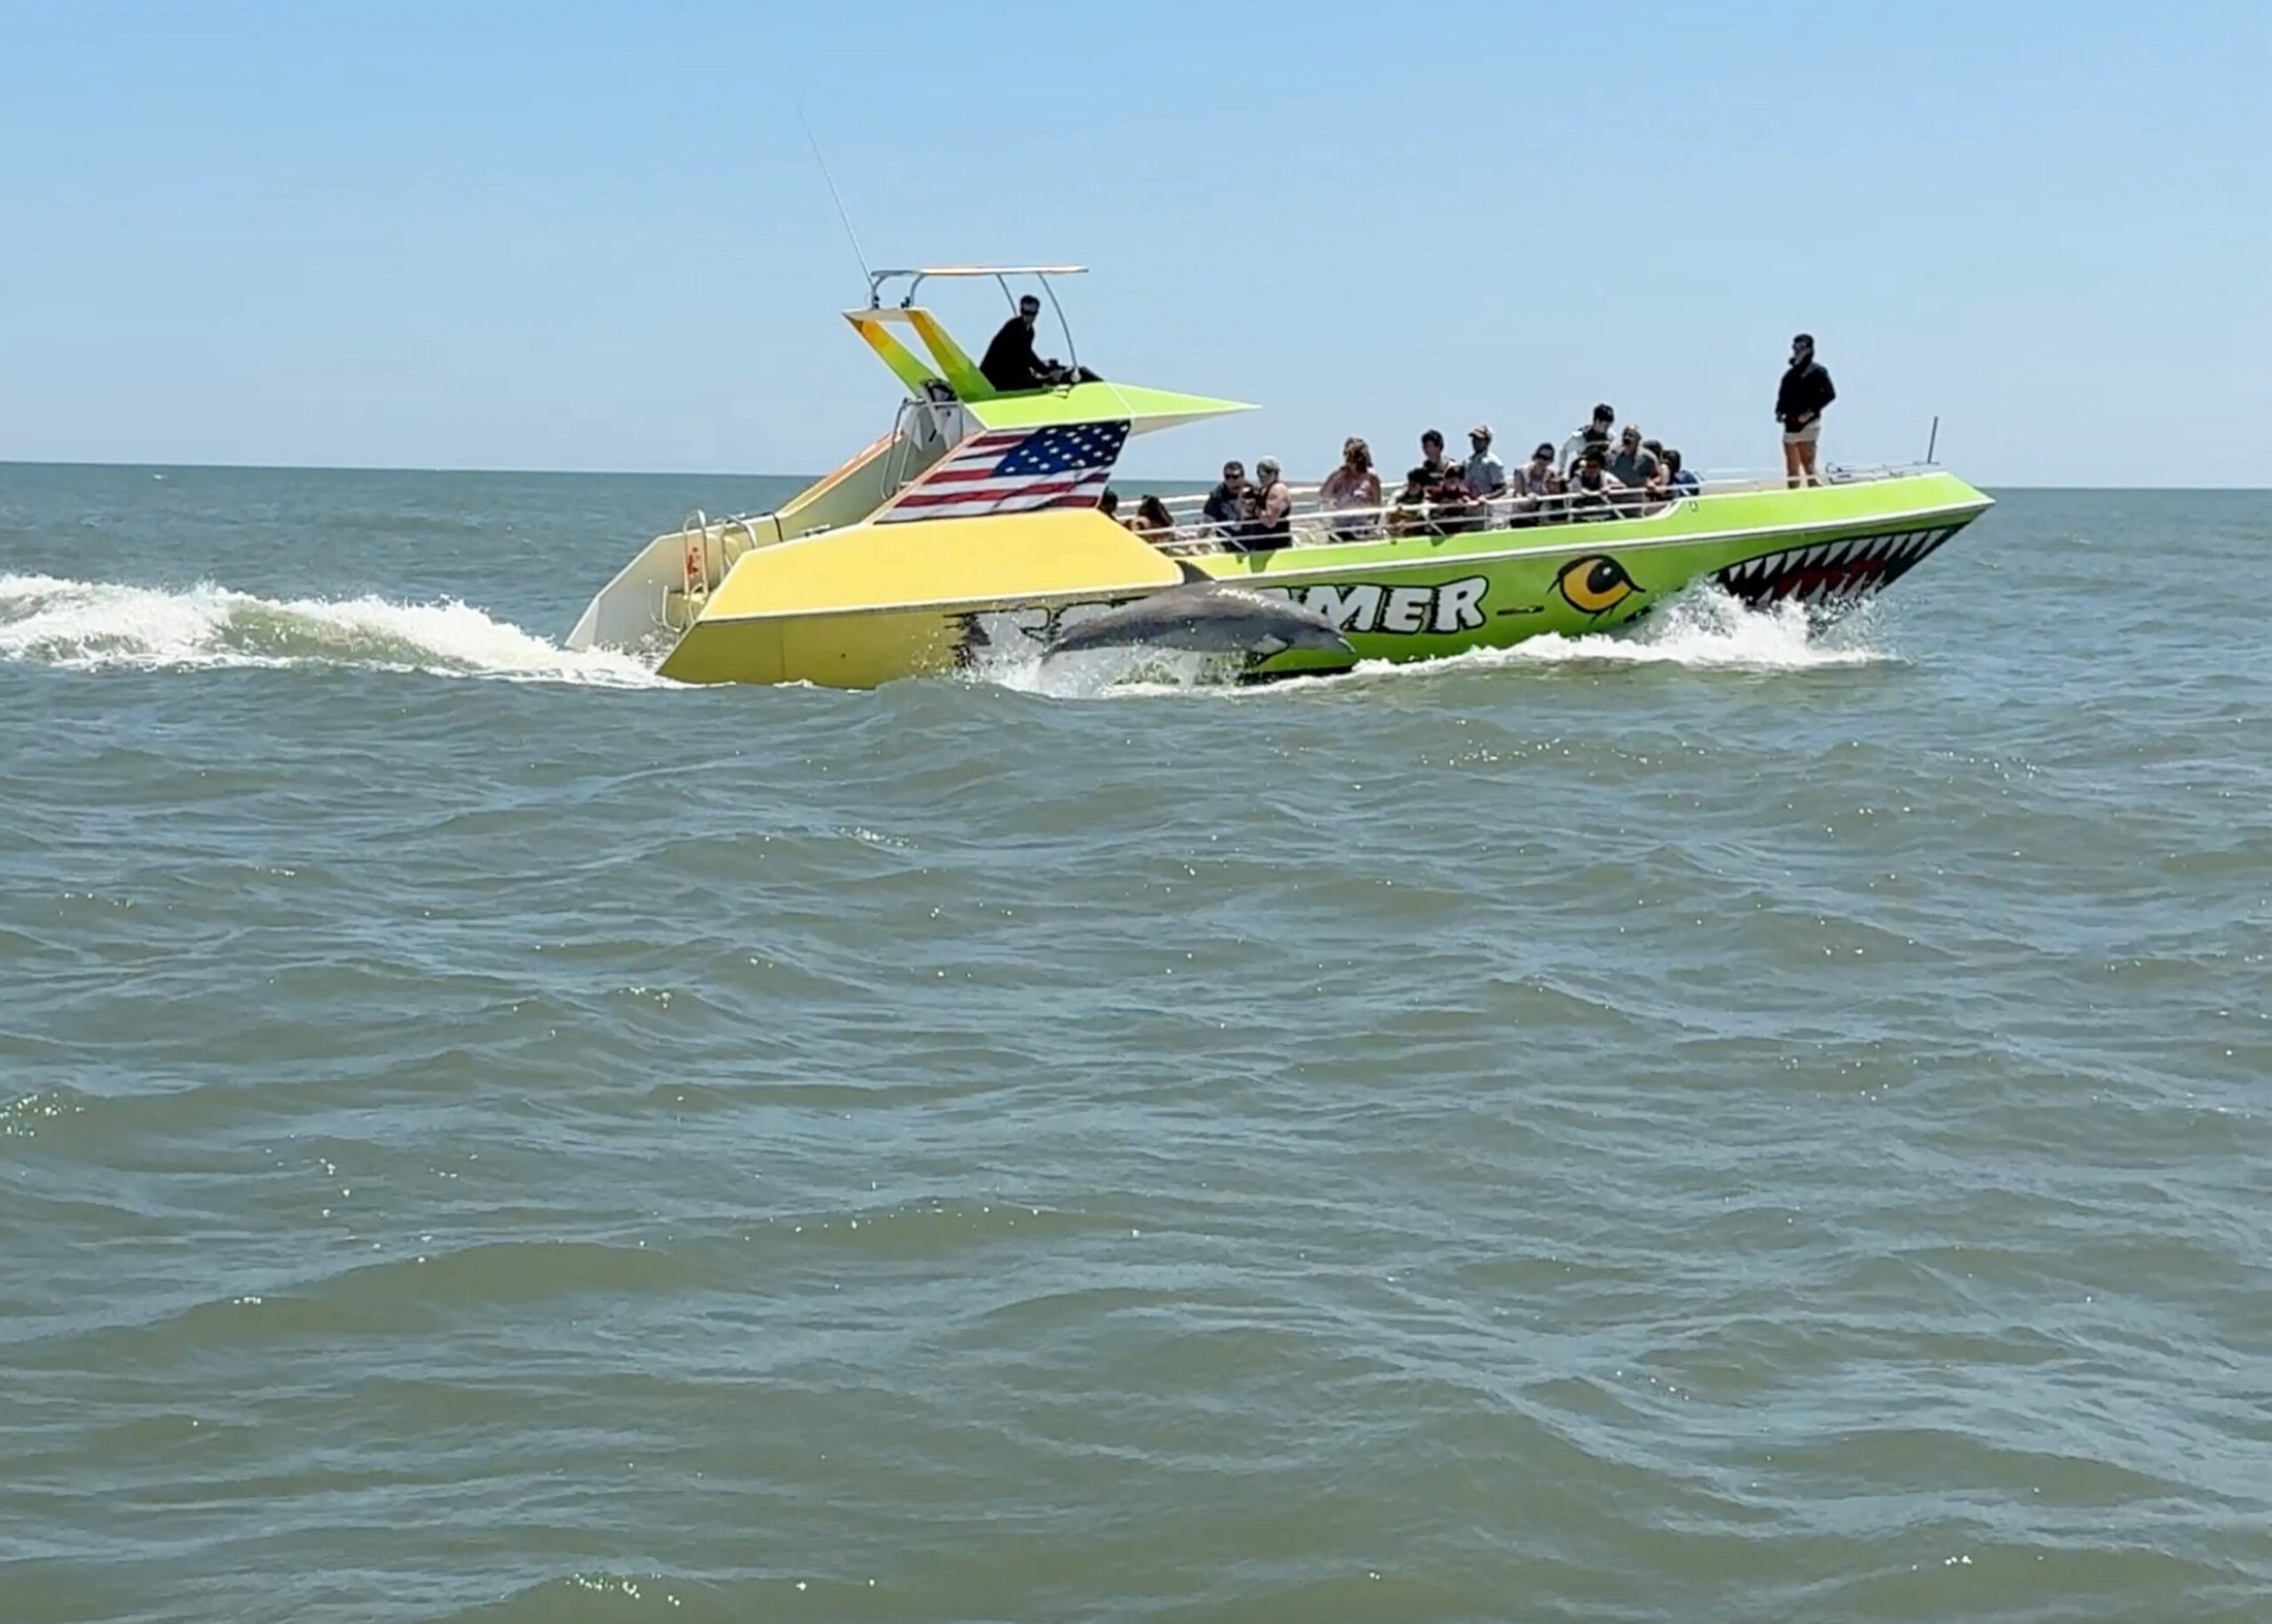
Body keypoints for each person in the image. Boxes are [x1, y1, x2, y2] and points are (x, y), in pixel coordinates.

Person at [1775, 332, 1836, 487]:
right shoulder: (1790, 375)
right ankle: (1793, 495)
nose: (1796, 350)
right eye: (1795, 347)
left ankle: (1816, 492)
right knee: (1792, 467)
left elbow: (1829, 394)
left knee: (1808, 464)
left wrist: (1811, 412)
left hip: (1809, 423)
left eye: (1800, 347)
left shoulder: (1818, 372)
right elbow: (1783, 395)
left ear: (1809, 349)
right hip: (1790, 423)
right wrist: (1779, 411)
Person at [1320, 437, 1383, 540]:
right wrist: (1337, 475)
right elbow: (1324, 494)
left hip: (1362, 525)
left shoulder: (1371, 477)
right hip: (1341, 525)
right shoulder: (1339, 476)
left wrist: (1374, 526)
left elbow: (1377, 504)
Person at [1247, 457, 1294, 549]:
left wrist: (1254, 509)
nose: (1262, 475)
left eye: (1267, 472)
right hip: (1262, 543)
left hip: (1276, 546)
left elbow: (1270, 521)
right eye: (1259, 472)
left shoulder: (1277, 490)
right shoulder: (1263, 489)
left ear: (1276, 473)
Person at [1559, 403, 1617, 475]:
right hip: (1581, 471)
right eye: (1605, 425)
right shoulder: (1580, 436)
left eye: (1609, 425)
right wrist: (1561, 470)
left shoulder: (1611, 436)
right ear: (1597, 421)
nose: (1607, 428)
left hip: (1600, 472)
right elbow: (1564, 450)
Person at [1510, 441, 1558, 524]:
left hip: (1541, 518)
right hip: (1520, 517)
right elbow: (1518, 494)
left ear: (1551, 461)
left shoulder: (1552, 475)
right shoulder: (1521, 471)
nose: (1541, 460)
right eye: (1539, 456)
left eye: (1546, 458)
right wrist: (1528, 499)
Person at [1202, 461, 1248, 536]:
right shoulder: (1218, 494)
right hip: (1227, 537)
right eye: (1227, 476)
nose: (1231, 480)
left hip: (1252, 535)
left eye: (1235, 477)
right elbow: (1208, 521)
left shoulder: (1252, 490)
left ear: (1242, 477)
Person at [1608, 425, 1659, 490]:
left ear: (1638, 439)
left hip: (1637, 494)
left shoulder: (1648, 458)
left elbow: (1658, 476)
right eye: (1625, 434)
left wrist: (1652, 482)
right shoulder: (1612, 455)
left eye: (1631, 436)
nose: (1626, 438)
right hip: (1615, 494)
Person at [1463, 425, 1508, 499]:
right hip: (1470, 503)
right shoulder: (1468, 461)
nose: (1475, 442)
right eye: (1474, 439)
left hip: (1487, 504)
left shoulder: (1493, 462)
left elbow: (1502, 489)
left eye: (1479, 440)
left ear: (1487, 442)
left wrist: (1486, 497)